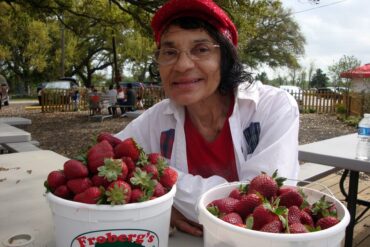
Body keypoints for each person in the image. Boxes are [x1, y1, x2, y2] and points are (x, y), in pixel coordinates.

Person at [115, 0, 299, 237]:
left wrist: (161, 182)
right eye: (170, 52)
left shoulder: (272, 107)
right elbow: (104, 155)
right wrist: (158, 203)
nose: (182, 65)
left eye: (201, 49)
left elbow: (260, 203)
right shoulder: (156, 119)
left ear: (225, 58)